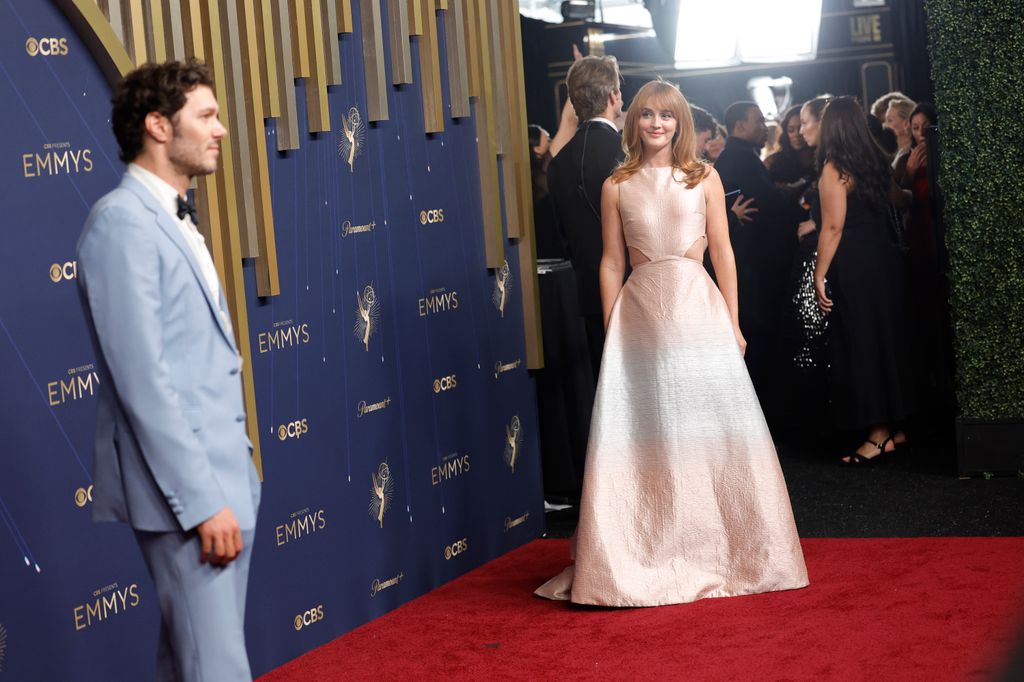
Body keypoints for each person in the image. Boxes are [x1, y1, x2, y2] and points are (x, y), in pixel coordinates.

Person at [535, 80, 808, 606]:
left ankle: (725, 551)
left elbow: (724, 254)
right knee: (649, 432)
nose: (657, 124)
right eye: (646, 115)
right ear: (632, 121)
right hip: (640, 316)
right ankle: (648, 548)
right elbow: (611, 261)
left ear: (680, 122)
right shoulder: (617, 183)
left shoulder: (704, 176)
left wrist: (733, 322)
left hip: (698, 311)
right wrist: (615, 324)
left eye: (667, 115)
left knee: (711, 430)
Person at [76, 60, 260, 680]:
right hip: (189, 498)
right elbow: (143, 383)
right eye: (206, 116)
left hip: (224, 482)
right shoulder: (121, 224)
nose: (222, 130)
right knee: (215, 669)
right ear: (158, 125)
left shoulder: (172, 214)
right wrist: (204, 503)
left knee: (189, 663)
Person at [813, 97, 915, 464]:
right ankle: (895, 427)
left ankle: (876, 434)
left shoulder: (834, 168)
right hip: (885, 261)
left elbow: (833, 226)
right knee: (887, 339)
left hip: (855, 265)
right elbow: (898, 200)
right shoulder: (875, 159)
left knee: (863, 343)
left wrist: (819, 273)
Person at [715, 101, 808, 416]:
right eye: (757, 121)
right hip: (753, 268)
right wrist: (800, 189)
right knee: (759, 338)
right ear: (739, 126)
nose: (764, 127)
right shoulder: (738, 158)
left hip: (753, 265)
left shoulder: (738, 157)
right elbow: (768, 201)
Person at [546, 55, 625, 382]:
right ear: (612, 97)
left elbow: (565, 238)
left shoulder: (557, 165)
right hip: (638, 291)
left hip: (591, 298)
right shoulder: (628, 153)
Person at [765, 104, 815, 184]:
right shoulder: (773, 162)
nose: (797, 134)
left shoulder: (822, 158)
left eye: (801, 128)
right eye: (791, 130)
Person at [884, 97, 915, 165]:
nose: (884, 125)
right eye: (885, 120)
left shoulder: (912, 157)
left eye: (890, 120)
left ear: (906, 124)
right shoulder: (897, 153)